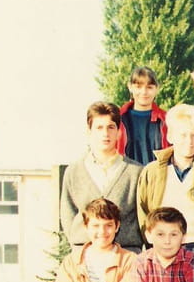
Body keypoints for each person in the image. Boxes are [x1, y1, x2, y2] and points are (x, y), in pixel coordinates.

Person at [136, 103, 194, 258]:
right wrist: (153, 241)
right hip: (163, 247)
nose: (189, 141)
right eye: (183, 135)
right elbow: (143, 212)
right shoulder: (152, 172)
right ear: (170, 136)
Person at [60, 102, 143, 253]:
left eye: (111, 127)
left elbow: (144, 217)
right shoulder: (74, 172)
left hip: (126, 256)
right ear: (89, 131)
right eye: (99, 127)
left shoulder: (136, 172)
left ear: (119, 132)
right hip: (84, 255)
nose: (105, 133)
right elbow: (68, 214)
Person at [116, 66, 168, 165]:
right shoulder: (118, 119)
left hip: (157, 173)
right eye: (138, 87)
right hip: (126, 173)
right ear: (130, 87)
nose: (144, 92)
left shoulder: (166, 120)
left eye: (149, 87)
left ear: (157, 88)